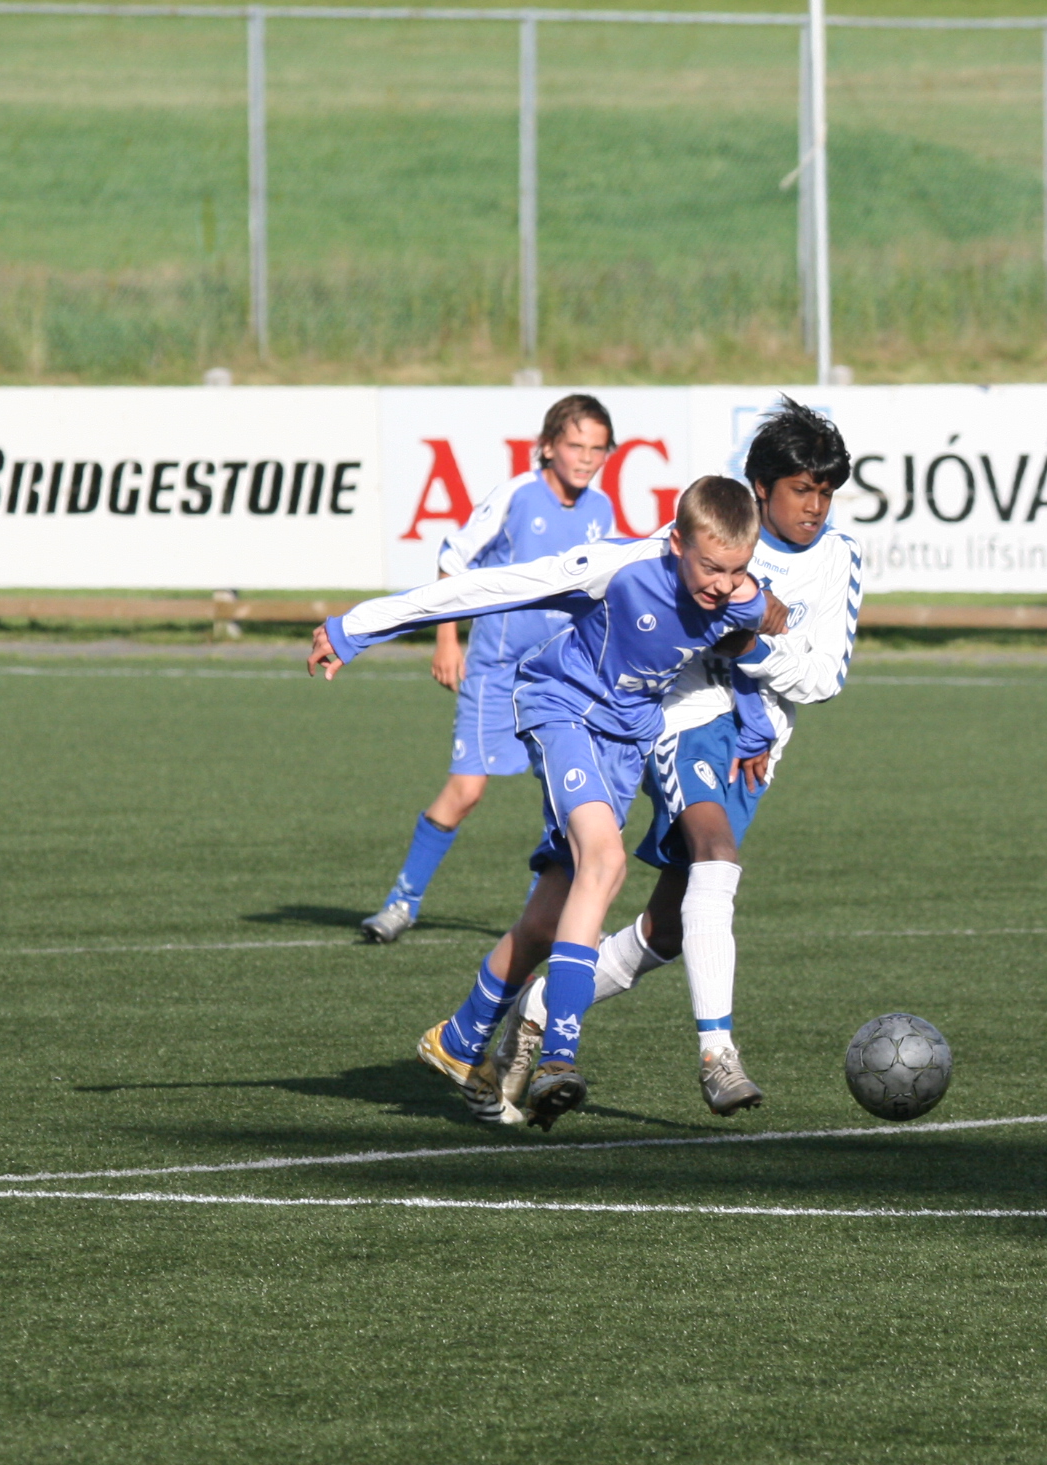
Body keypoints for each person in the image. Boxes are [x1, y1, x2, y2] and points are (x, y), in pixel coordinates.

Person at [308, 477, 778, 1127]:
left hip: (624, 746)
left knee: (549, 916)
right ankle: (559, 1054)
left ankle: (459, 1039)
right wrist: (355, 628)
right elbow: (487, 588)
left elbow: (739, 645)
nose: (723, 585)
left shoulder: (742, 596)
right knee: (605, 863)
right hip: (563, 710)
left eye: (737, 570)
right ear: (676, 543)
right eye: (711, 568)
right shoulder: (617, 567)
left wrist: (755, 729)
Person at [495, 398, 864, 1117]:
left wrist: (751, 647)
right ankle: (718, 1055)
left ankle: (541, 1006)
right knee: (717, 853)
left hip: (756, 749)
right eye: (801, 490)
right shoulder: (702, 540)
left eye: (825, 492)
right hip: (685, 720)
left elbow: (823, 679)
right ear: (761, 488)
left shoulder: (841, 557)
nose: (815, 507)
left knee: (667, 929)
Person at [358, 393, 618, 945]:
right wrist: (446, 638)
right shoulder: (517, 496)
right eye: (575, 445)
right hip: (498, 671)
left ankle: (545, 917)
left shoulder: (601, 511)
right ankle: (402, 902)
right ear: (547, 447)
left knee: (567, 799)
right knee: (466, 790)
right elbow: (454, 559)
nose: (586, 458)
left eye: (597, 449)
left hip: (562, 679)